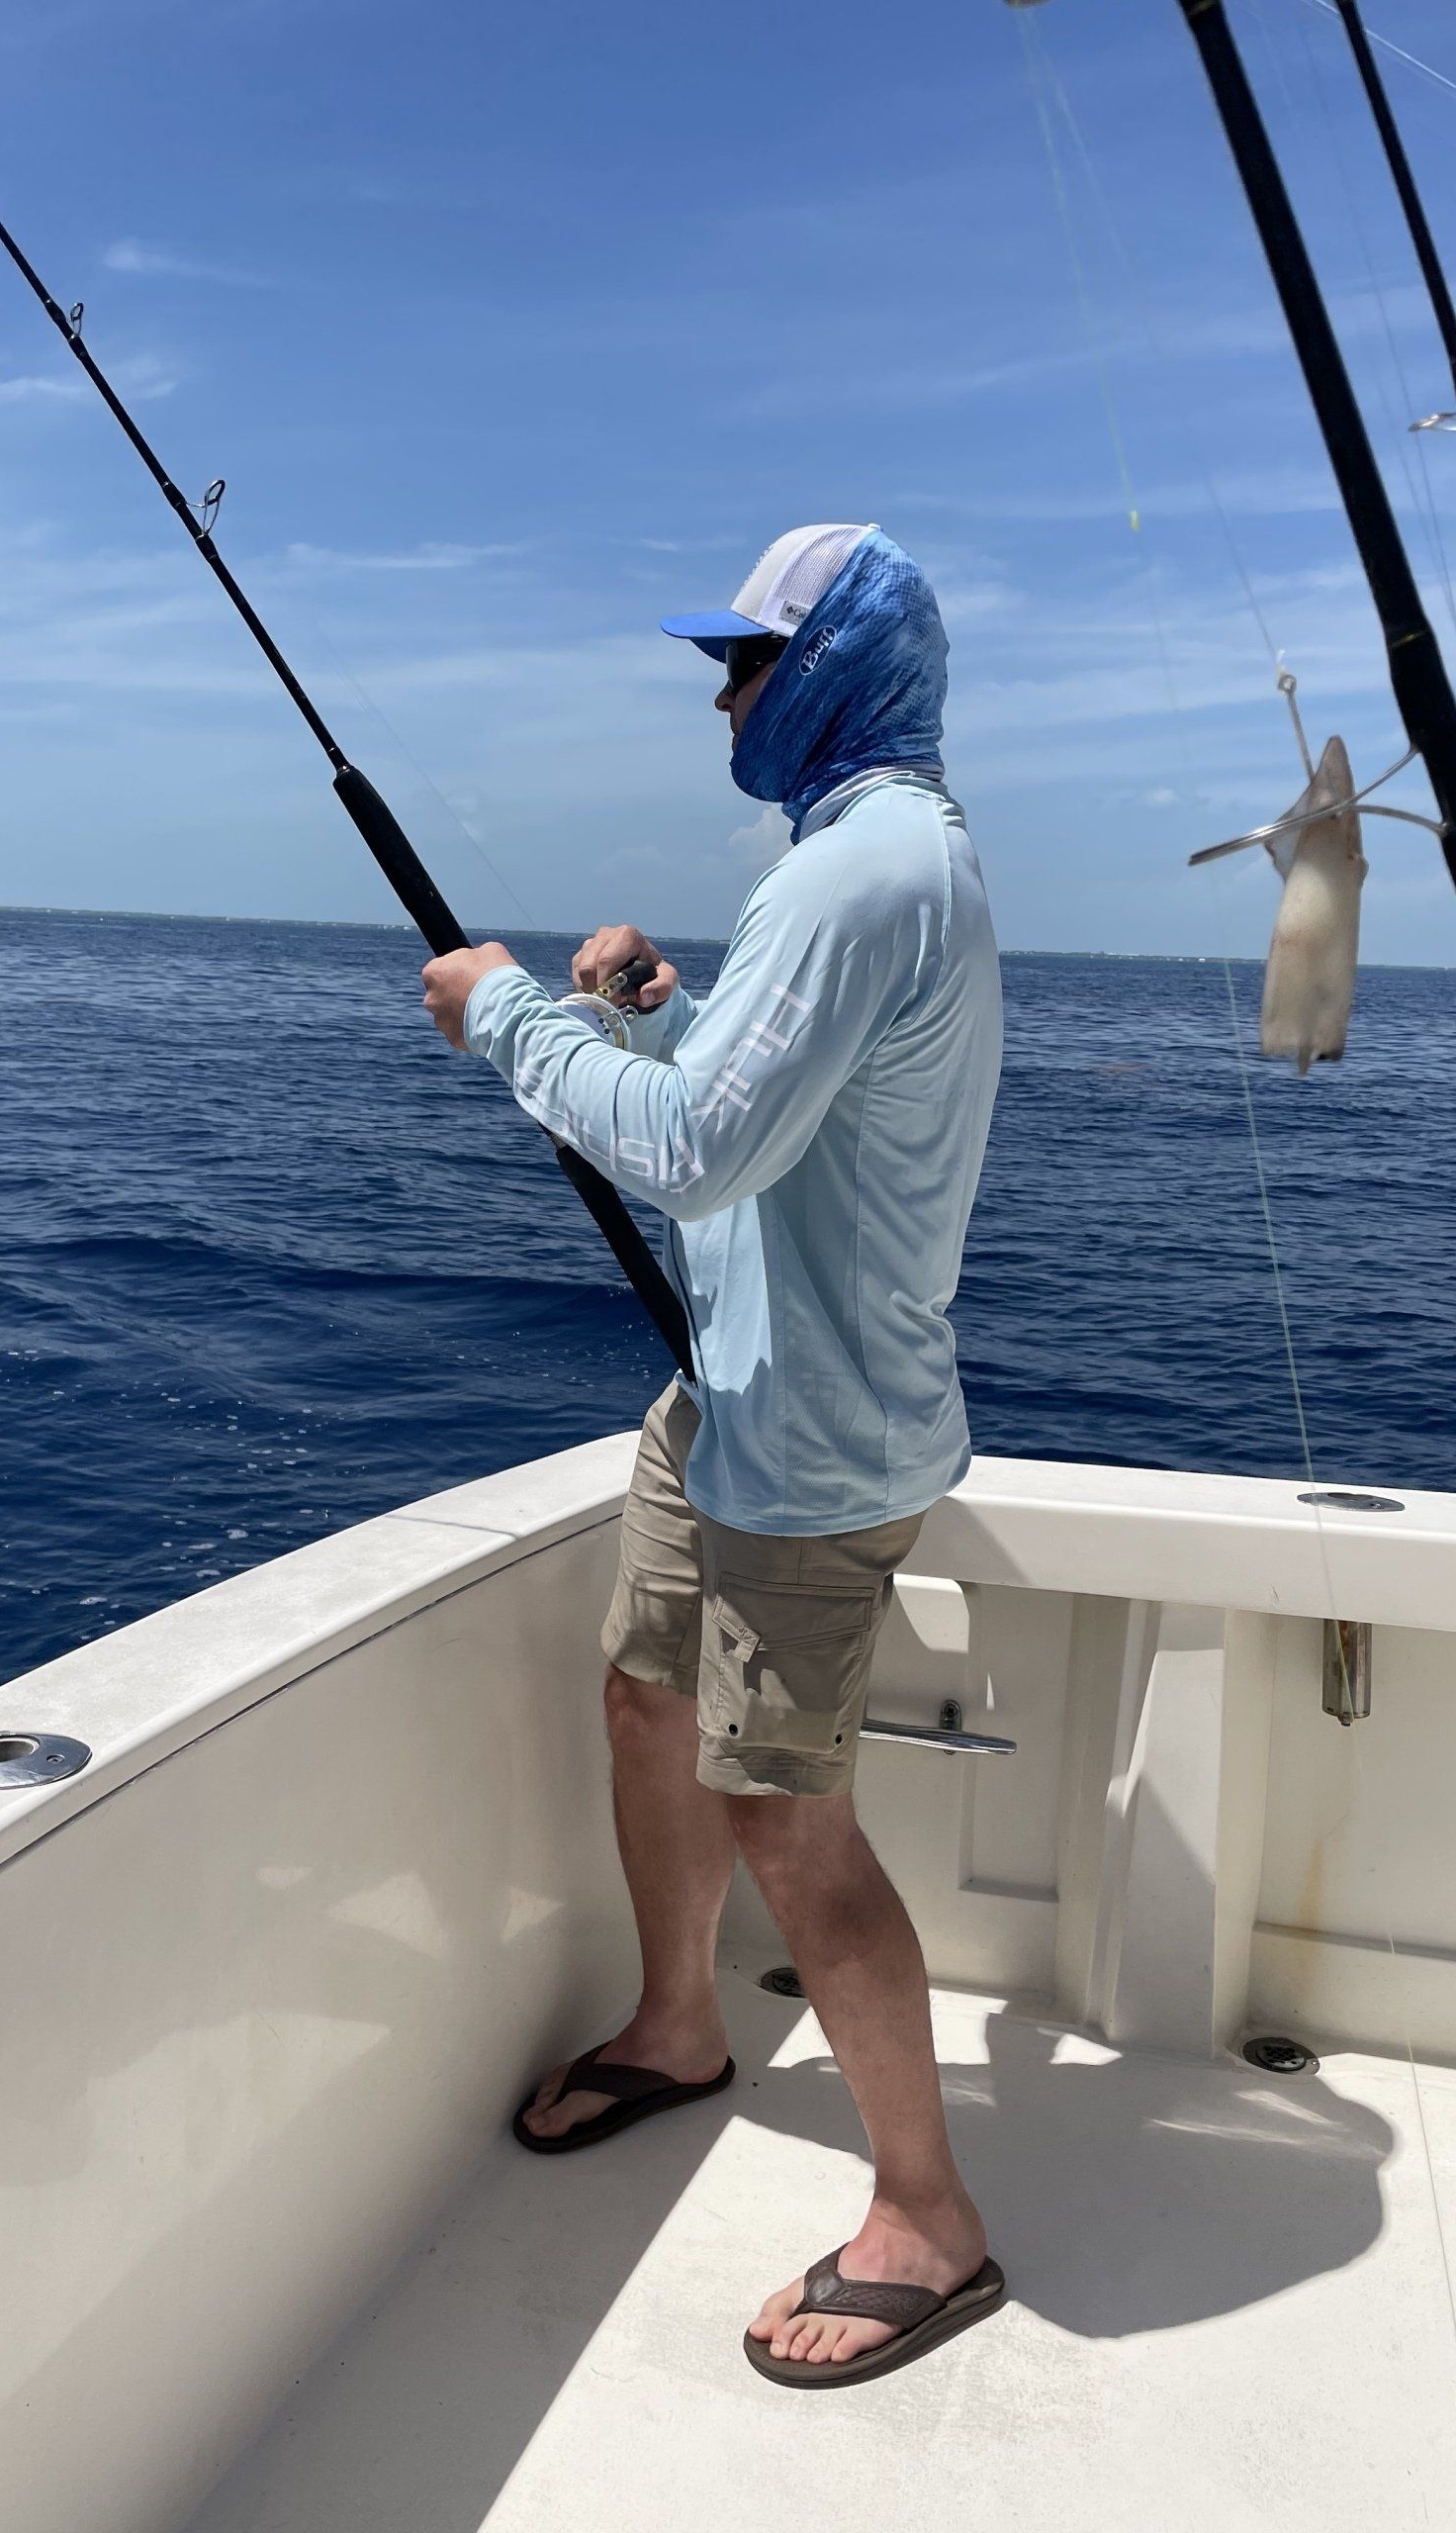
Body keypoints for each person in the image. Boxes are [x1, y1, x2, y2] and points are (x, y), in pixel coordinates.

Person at [420, 522, 1005, 2388]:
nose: (727, 697)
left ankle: (926, 2210)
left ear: (833, 666)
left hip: (812, 1446)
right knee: (643, 1702)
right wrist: (654, 1017)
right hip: (727, 1403)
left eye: (747, 663)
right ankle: (681, 2027)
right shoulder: (851, 867)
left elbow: (684, 1159)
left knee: (787, 1816)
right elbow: (761, 1123)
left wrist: (504, 1013)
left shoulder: (862, 875)